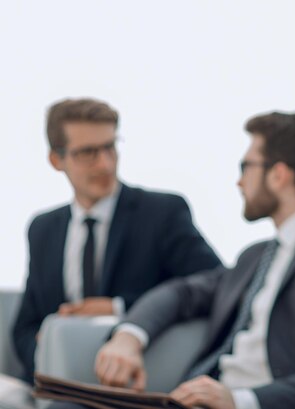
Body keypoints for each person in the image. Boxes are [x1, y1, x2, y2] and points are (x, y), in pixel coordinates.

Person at [52, 111, 295, 409]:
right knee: (65, 407)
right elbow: (183, 293)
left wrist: (242, 401)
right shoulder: (255, 257)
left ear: (279, 175)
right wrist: (129, 336)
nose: (238, 181)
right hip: (192, 399)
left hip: (254, 403)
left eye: (246, 166)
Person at [12, 98, 222, 383]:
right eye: (88, 153)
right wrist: (46, 354)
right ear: (56, 160)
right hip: (60, 386)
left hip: (136, 381)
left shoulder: (161, 213)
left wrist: (119, 307)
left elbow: (216, 283)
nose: (105, 164)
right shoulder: (43, 229)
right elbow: (25, 325)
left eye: (110, 147)